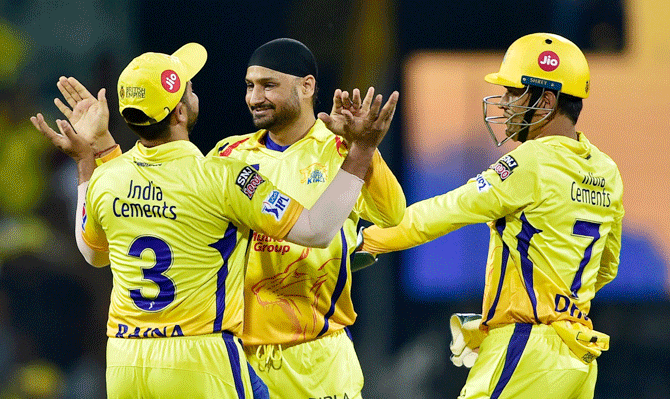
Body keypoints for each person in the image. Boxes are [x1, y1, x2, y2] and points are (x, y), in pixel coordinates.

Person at [31, 42, 399, 399]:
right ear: (179, 112)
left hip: (125, 361)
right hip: (199, 356)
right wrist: (363, 149)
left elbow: (94, 254)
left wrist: (87, 160)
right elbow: (317, 230)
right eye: (189, 87)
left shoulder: (108, 177)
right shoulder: (226, 175)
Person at [359, 33, 624, 399]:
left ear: (546, 100)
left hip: (526, 347)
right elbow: (606, 268)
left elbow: (443, 212)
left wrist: (363, 240)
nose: (504, 102)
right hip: (578, 357)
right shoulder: (607, 170)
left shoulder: (531, 161)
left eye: (515, 92)